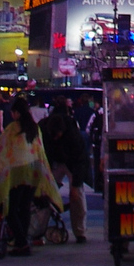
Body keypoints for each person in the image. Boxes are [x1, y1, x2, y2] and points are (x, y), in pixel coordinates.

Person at [0, 94, 61, 258]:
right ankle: (22, 243)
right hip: (34, 171)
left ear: (17, 112)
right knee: (24, 207)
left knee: (10, 209)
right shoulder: (34, 127)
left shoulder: (13, 128)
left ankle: (22, 242)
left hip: (18, 173)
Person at [40, 99, 89, 244]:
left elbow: (80, 161)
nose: (55, 138)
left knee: (77, 195)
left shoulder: (73, 135)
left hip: (71, 162)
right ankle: (38, 229)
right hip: (53, 161)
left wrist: (75, 184)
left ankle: (80, 232)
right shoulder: (44, 130)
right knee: (43, 195)